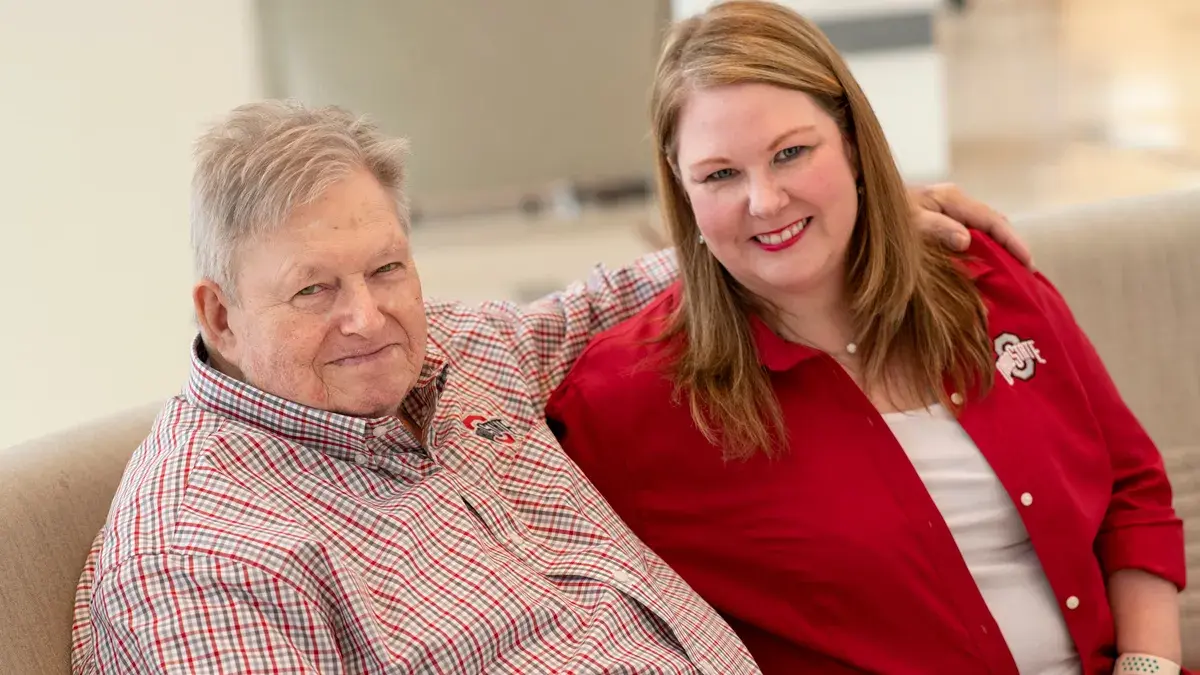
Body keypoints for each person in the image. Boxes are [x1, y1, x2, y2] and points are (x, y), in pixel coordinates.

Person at [70, 100, 1023, 673]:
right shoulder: (201, 555)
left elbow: (602, 300)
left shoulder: (458, 350)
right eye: (315, 291)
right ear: (220, 313)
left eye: (388, 269)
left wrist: (835, 217)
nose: (369, 317)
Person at [545, 3, 1187, 675]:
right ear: (684, 194)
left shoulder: (983, 278)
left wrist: (1147, 668)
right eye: (720, 175)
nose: (765, 200)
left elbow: (1131, 489)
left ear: (852, 144)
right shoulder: (628, 399)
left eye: (791, 153)